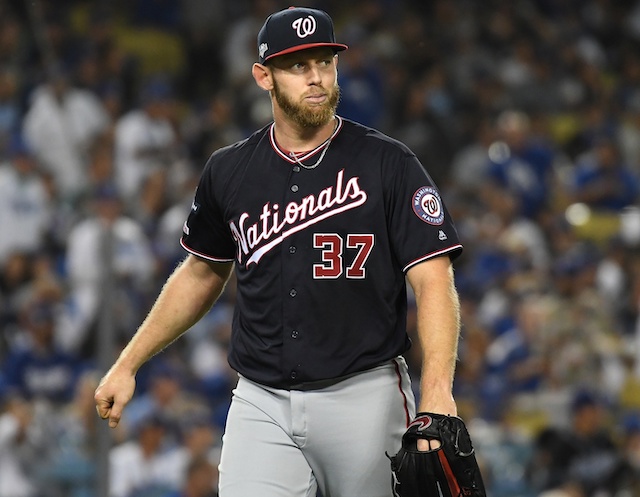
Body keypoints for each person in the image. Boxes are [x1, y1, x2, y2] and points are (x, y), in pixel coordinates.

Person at [95, 7, 464, 497]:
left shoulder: (389, 163)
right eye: (297, 66)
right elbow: (202, 272)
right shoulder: (229, 170)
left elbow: (433, 278)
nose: (315, 78)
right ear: (263, 76)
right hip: (262, 400)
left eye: (324, 63)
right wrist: (127, 363)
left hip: (364, 394)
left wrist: (437, 390)